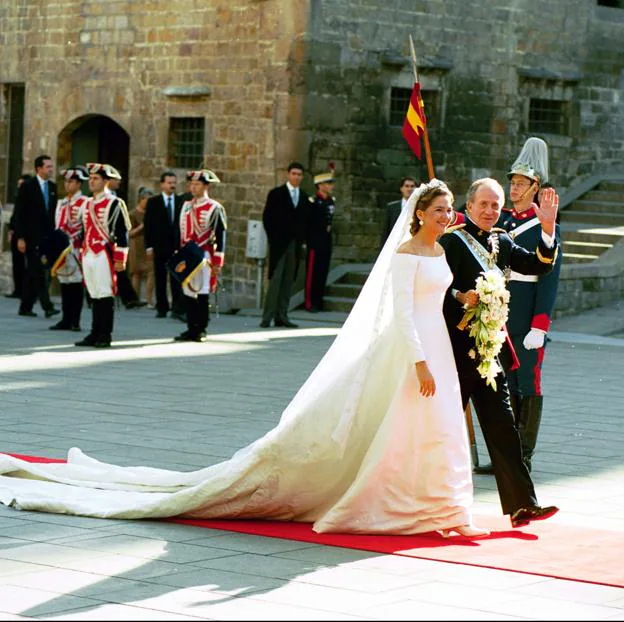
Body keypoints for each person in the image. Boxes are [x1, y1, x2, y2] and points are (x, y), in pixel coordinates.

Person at [0, 179, 492, 539]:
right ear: (421, 212)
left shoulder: (441, 251)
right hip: (415, 350)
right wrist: (420, 361)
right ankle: (398, 500)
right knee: (403, 423)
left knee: (440, 422)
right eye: (441, 209)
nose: (448, 215)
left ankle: (441, 501)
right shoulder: (407, 252)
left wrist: (469, 302)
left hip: (440, 346)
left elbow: (438, 299)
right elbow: (403, 313)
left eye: (450, 209)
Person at [439, 177, 560, 528]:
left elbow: (539, 265)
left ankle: (523, 504)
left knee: (504, 428)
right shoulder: (452, 242)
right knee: (444, 429)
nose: (491, 211)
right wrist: (461, 299)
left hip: (490, 353)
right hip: (456, 351)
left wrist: (548, 229)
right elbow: (434, 290)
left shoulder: (503, 241)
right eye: (484, 204)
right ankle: (428, 498)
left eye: (496, 205)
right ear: (469, 206)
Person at [499, 138, 562, 473]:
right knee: (505, 385)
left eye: (521, 183)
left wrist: (540, 325)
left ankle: (523, 454)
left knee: (527, 383)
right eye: (512, 182)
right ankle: (507, 452)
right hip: (501, 315)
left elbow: (548, 279)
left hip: (526, 318)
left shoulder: (544, 226)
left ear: (536, 187)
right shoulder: (505, 222)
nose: (514, 188)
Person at [74, 163, 131, 348]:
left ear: (106, 181)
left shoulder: (115, 203)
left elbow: (122, 233)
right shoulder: (87, 203)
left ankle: (105, 334)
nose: (91, 182)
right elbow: (84, 230)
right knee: (93, 294)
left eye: (96, 178)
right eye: (90, 178)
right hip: (89, 253)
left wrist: (120, 259)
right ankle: (94, 332)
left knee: (105, 294)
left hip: (104, 254)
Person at [174, 169, 227, 343]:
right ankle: (190, 328)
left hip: (204, 253)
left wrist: (218, 261)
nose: (193, 187)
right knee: (188, 291)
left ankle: (201, 328)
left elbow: (220, 235)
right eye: (191, 184)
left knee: (202, 292)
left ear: (206, 186)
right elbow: (181, 231)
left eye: (197, 184)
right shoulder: (186, 205)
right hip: (188, 253)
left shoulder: (215, 208)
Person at [260, 162, 309, 328]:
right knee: (275, 279)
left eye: (299, 174)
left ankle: (282, 315)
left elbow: (304, 222)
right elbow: (267, 218)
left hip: (294, 245)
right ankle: (267, 316)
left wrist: (302, 242)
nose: (296, 177)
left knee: (289, 280)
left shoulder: (303, 197)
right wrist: (273, 239)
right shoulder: (276, 194)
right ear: (288, 174)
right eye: (293, 173)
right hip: (279, 244)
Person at [13, 155, 60, 319]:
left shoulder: (53, 187)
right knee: (39, 272)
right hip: (30, 237)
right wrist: (20, 237)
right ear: (38, 168)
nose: (51, 169)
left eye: (51, 166)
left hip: (47, 237)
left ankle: (25, 306)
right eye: (48, 166)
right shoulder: (28, 186)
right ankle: (48, 306)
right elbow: (19, 213)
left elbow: (53, 213)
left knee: (34, 273)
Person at [49, 166, 90, 331]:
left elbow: (85, 226)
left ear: (79, 184)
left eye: (71, 182)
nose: (68, 185)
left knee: (76, 283)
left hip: (76, 248)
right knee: (65, 282)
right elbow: (57, 224)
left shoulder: (84, 202)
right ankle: (66, 319)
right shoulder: (62, 203)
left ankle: (75, 320)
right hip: (62, 249)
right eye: (66, 182)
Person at [144, 171, 185, 319]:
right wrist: (148, 247)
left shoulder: (181, 201)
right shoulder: (154, 202)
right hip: (159, 246)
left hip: (176, 247)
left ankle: (176, 307)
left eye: (174, 182)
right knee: (160, 278)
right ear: (162, 184)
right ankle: (162, 307)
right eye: (169, 182)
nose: (172, 185)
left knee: (176, 278)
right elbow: (148, 226)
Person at [107, 175, 145, 310]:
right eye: (116, 179)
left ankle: (129, 299)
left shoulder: (117, 197)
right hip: (101, 244)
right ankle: (129, 298)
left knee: (120, 271)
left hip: (114, 242)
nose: (119, 182)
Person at [304, 169, 336, 313]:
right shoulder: (313, 202)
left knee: (323, 272)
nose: (331, 186)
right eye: (328, 183)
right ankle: (310, 302)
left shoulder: (330, 200)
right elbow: (308, 223)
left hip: (326, 240)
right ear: (320, 185)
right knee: (312, 273)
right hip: (315, 241)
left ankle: (319, 300)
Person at [4, 174, 31, 299]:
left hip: (26, 236)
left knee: (28, 265)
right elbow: (15, 217)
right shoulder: (19, 199)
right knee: (17, 264)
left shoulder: (31, 200)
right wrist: (11, 230)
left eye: (22, 185)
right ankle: (18, 289)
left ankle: (27, 291)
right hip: (16, 234)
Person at [128, 187, 155, 307]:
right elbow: (130, 233)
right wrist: (142, 226)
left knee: (151, 272)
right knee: (136, 273)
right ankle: (134, 298)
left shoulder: (151, 213)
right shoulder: (132, 214)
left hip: (148, 245)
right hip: (136, 245)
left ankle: (149, 300)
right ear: (141, 199)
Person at [380, 176, 417, 250]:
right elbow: (386, 230)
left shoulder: (420, 207)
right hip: (395, 246)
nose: (409, 189)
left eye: (412, 186)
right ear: (401, 188)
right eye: (406, 186)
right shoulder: (392, 207)